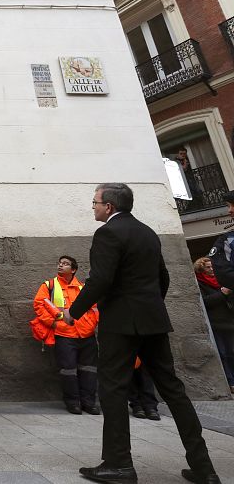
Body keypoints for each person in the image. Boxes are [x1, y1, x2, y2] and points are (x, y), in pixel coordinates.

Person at [64, 183, 220, 484]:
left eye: (95, 202)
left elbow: (101, 280)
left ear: (109, 206)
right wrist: (149, 307)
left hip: (122, 324)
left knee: (112, 389)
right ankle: (204, 468)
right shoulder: (148, 232)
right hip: (153, 321)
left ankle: (118, 464)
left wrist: (74, 312)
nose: (93, 207)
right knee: (173, 390)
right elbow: (163, 277)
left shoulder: (107, 233)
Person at [32, 255, 99, 414]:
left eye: (65, 264)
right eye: (60, 263)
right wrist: (54, 324)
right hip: (64, 335)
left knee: (89, 370)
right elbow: (39, 305)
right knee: (68, 371)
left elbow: (95, 308)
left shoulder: (83, 288)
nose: (60, 266)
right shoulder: (49, 285)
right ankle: (73, 402)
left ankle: (89, 403)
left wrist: (91, 325)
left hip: (86, 334)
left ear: (73, 269)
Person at [195, 256, 234, 394]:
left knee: (232, 353)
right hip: (216, 324)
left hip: (230, 322)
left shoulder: (222, 280)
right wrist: (222, 294)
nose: (211, 269)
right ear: (202, 269)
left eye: (213, 267)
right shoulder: (200, 283)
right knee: (222, 354)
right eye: (208, 267)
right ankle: (230, 382)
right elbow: (205, 302)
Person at [209, 190, 234, 292]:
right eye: (228, 206)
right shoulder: (227, 240)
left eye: (233, 205)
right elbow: (223, 273)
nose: (230, 210)